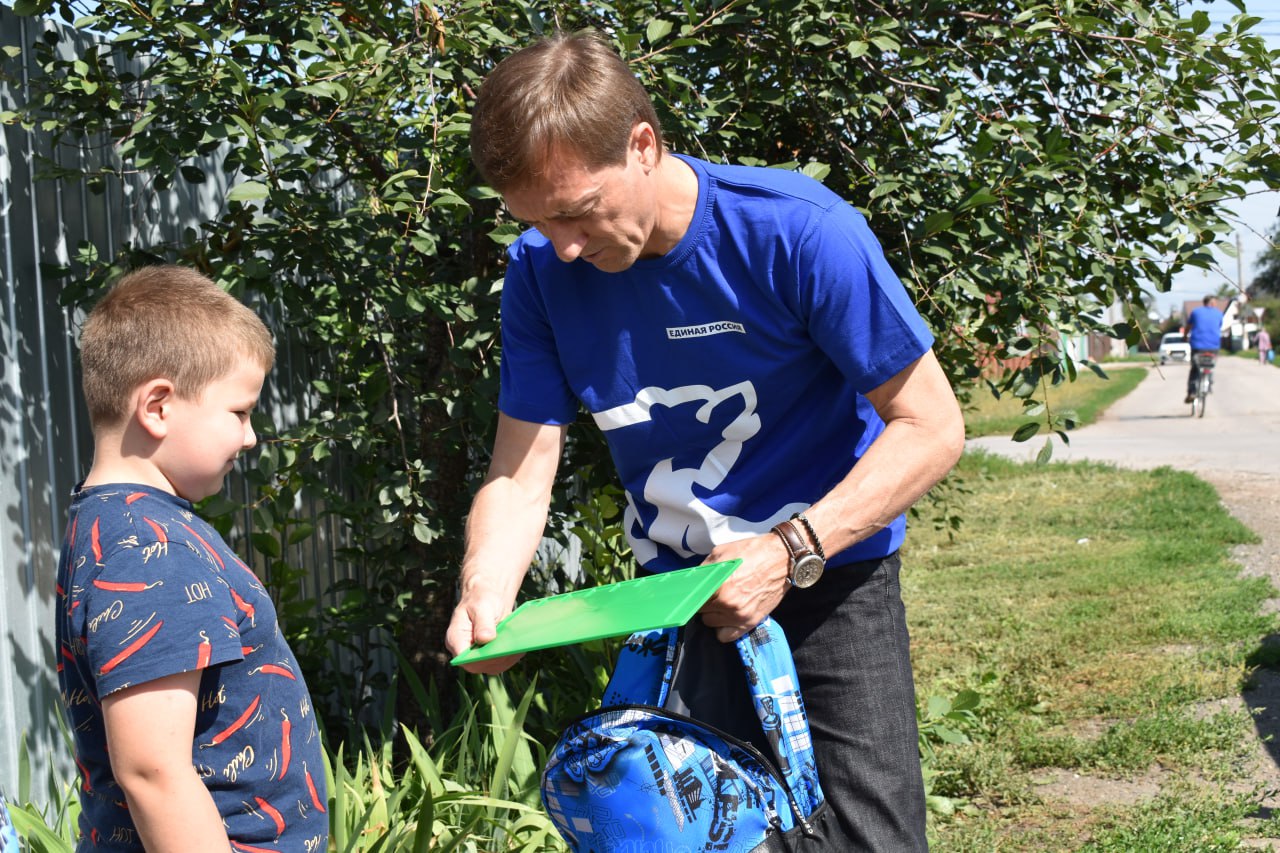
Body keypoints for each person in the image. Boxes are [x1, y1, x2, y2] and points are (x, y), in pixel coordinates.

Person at [445, 29, 965, 851]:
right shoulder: (540, 271)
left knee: (869, 839)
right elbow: (521, 469)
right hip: (675, 600)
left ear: (643, 145)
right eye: (539, 224)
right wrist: (487, 593)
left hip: (827, 575)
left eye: (577, 212)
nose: (565, 247)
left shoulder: (798, 233)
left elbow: (932, 426)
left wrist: (789, 550)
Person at [56, 266, 328, 851]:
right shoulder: (149, 553)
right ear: (157, 406)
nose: (251, 436)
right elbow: (153, 772)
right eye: (239, 412)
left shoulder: (122, 528)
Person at [1183, 295, 1224, 403]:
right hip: (1213, 346)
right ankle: (1209, 382)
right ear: (1213, 303)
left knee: (1195, 368)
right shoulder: (1219, 313)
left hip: (1197, 346)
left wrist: (1185, 336)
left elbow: (1188, 327)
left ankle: (1191, 392)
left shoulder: (1195, 312)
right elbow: (1218, 326)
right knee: (1210, 365)